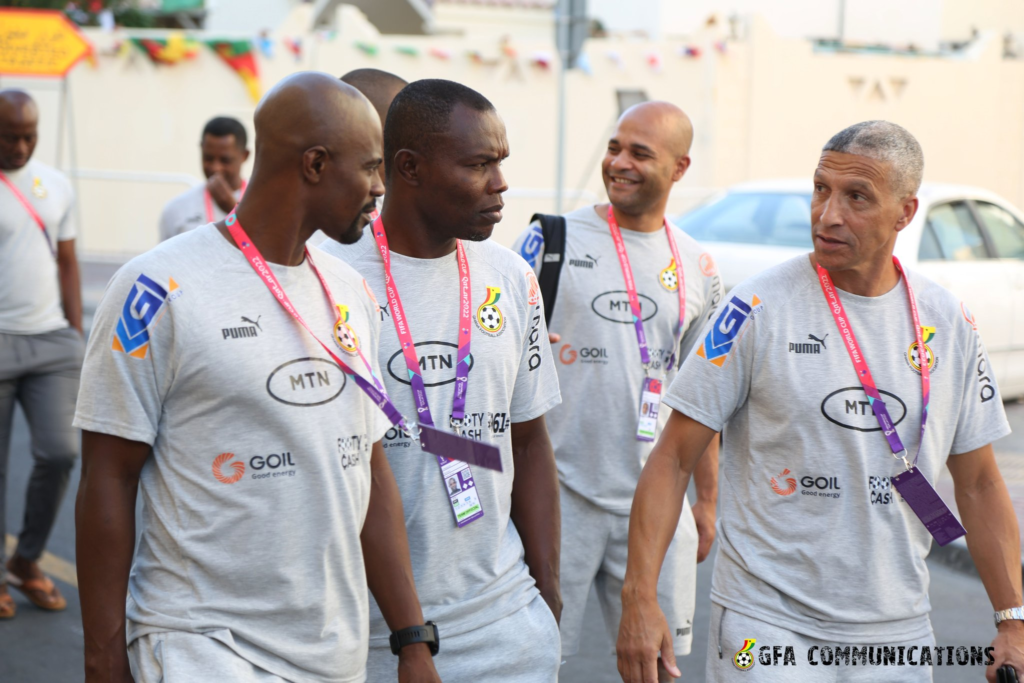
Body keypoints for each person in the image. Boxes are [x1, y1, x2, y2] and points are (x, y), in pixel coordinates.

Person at [616, 120, 1024, 683]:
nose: (828, 214)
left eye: (856, 197)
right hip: (766, 625)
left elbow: (978, 482)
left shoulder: (947, 321)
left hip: (897, 634)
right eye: (820, 189)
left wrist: (1013, 621)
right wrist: (640, 598)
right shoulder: (754, 307)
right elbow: (672, 458)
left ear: (905, 213)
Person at [74, 73, 440, 683]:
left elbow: (367, 467)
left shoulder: (350, 291)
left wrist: (411, 640)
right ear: (316, 164)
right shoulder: (156, 288)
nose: (381, 186)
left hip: (333, 654)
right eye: (371, 166)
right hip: (201, 645)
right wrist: (102, 658)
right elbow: (108, 475)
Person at [320, 78, 564, 682]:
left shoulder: (510, 277)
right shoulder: (327, 280)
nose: (500, 183)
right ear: (410, 168)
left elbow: (529, 442)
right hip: (373, 640)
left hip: (509, 626)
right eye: (479, 164)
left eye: (501, 162)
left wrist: (547, 599)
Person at [511, 101, 722, 681]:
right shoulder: (545, 242)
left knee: (658, 668)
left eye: (640, 153)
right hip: (559, 502)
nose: (619, 163)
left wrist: (705, 502)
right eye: (614, 147)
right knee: (535, 664)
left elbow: (705, 398)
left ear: (679, 169)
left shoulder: (699, 264)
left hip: (658, 505)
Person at [0, 89, 83, 620]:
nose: (22, 145)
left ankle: (26, 561)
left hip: (52, 341)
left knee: (60, 452)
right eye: (11, 136)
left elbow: (69, 263)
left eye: (30, 134)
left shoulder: (56, 185)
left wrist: (76, 333)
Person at [159, 116, 250, 241]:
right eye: (208, 158)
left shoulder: (265, 203)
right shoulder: (176, 209)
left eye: (225, 160)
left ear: (245, 156)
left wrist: (232, 209)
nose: (215, 168)